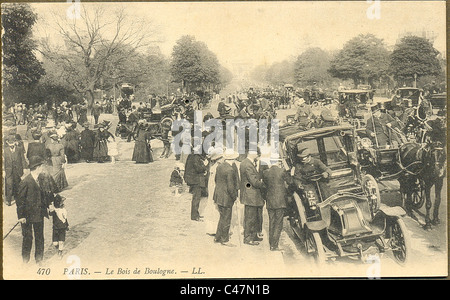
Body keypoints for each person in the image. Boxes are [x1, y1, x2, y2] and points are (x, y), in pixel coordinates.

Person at [16, 156, 50, 264]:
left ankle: (39, 259)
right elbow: (20, 201)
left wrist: (49, 205)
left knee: (40, 237)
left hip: (39, 214)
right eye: (41, 166)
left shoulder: (41, 179)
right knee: (27, 238)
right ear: (37, 167)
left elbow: (44, 195)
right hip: (27, 216)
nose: (43, 168)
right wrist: (21, 216)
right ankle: (25, 260)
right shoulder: (25, 182)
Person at [262, 155, 292, 251]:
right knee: (278, 224)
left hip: (270, 201)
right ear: (279, 162)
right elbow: (290, 181)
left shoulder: (265, 173)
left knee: (272, 222)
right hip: (280, 201)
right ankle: (274, 246)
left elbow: (264, 186)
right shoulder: (282, 171)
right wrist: (287, 170)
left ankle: (272, 243)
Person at [239, 151, 266, 245]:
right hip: (251, 195)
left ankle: (253, 236)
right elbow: (254, 182)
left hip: (251, 195)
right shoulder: (248, 165)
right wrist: (265, 183)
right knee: (250, 218)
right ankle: (248, 239)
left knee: (253, 217)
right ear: (252, 153)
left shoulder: (245, 162)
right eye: (256, 153)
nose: (258, 155)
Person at [213, 151, 240, 246]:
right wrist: (235, 197)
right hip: (226, 198)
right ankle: (225, 240)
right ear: (233, 159)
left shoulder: (220, 166)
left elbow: (216, 180)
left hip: (218, 195)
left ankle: (218, 237)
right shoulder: (230, 170)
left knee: (222, 217)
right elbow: (230, 187)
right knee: (226, 219)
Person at [184, 145, 208, 221]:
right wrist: (205, 165)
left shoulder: (191, 155)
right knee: (196, 198)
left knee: (196, 197)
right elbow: (199, 168)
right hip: (196, 180)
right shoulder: (196, 157)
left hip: (191, 179)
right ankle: (194, 216)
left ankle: (196, 214)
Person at [3, 135, 27, 206]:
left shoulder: (19, 149)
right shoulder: (5, 151)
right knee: (9, 184)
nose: (11, 145)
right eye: (10, 143)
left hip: (17, 170)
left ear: (15, 142)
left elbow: (23, 159)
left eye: (13, 143)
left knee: (17, 185)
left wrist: (25, 168)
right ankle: (9, 200)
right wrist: (3, 170)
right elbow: (3, 161)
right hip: (8, 170)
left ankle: (18, 199)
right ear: (7, 143)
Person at [49, 194, 69, 259]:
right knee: (55, 243)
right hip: (55, 228)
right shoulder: (54, 210)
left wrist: (67, 225)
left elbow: (65, 218)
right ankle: (59, 248)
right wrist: (50, 208)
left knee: (61, 241)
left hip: (62, 227)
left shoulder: (63, 210)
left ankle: (60, 251)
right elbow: (50, 213)